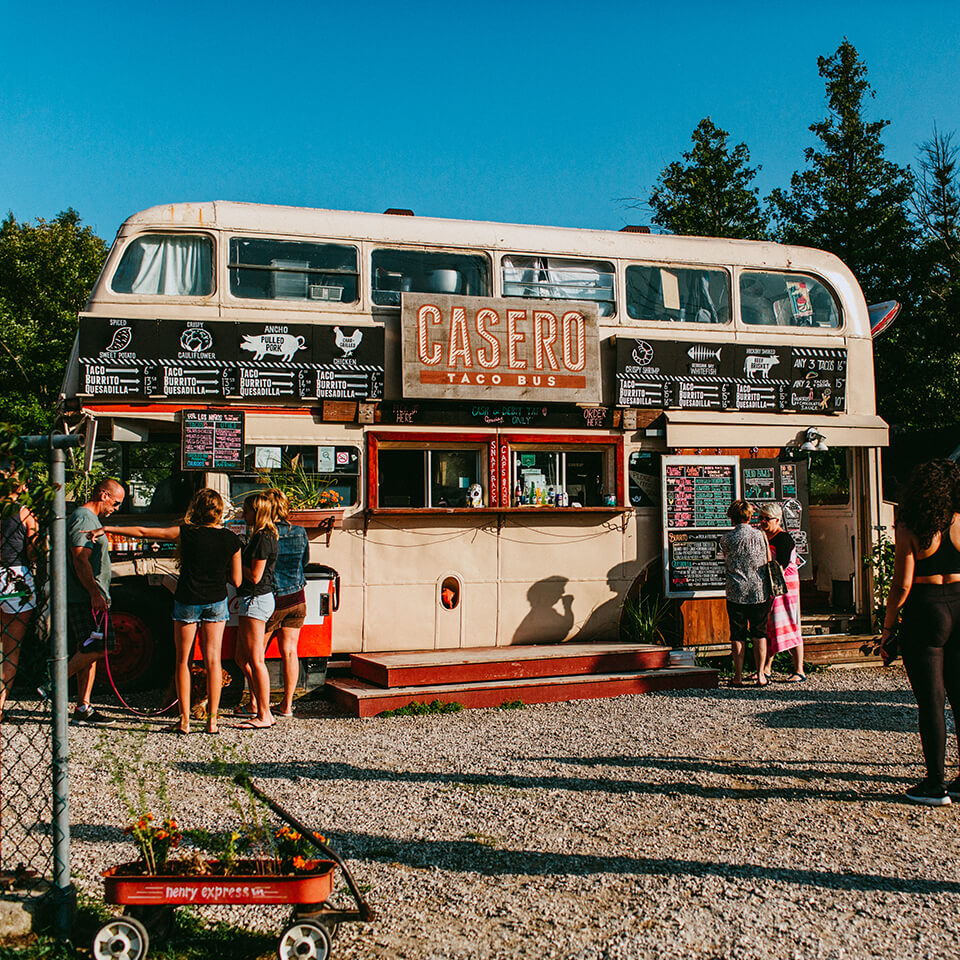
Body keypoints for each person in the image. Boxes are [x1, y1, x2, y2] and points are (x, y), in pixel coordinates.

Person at [93, 488, 241, 734]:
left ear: (196, 508)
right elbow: (236, 580)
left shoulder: (186, 533)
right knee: (213, 661)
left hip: (187, 601)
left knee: (183, 660)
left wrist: (107, 529)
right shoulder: (231, 540)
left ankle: (184, 721)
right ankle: (212, 722)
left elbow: (143, 531)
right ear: (219, 512)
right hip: (216, 602)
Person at [880, 458, 960, 806]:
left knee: (931, 701)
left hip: (926, 608)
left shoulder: (909, 526)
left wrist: (887, 627)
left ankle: (934, 783)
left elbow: (902, 584)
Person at [65, 478, 126, 726]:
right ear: (103, 495)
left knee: (88, 650)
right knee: (101, 646)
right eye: (116, 502)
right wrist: (94, 592)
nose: (117, 508)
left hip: (89, 594)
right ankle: (53, 683)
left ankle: (83, 705)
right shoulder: (84, 518)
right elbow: (80, 558)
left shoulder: (90, 519)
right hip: (85, 596)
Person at [233, 492, 278, 729]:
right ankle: (255, 704)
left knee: (256, 660)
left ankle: (264, 714)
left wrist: (234, 561)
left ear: (257, 512)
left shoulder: (264, 538)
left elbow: (255, 575)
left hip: (256, 599)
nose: (243, 514)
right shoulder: (259, 536)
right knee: (241, 658)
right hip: (251, 599)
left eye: (247, 511)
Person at [263, 488, 309, 718]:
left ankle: (256, 703)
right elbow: (305, 561)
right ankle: (287, 705)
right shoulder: (300, 532)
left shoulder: (265, 534)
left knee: (255, 654)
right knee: (290, 652)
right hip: (297, 597)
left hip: (272, 599)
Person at [0, 469, 40, 718]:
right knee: (11, 648)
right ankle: (0, 705)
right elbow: (34, 550)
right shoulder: (25, 512)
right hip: (16, 578)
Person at [720, 499, 772, 687]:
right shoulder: (760, 535)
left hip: (736, 590)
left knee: (737, 634)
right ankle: (760, 675)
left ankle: (738, 676)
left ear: (732, 517)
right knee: (759, 632)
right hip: (759, 590)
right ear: (750, 516)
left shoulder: (726, 539)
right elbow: (768, 559)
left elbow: (726, 559)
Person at [758, 503, 804, 682]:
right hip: (770, 584)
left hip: (786, 585)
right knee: (770, 625)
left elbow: (782, 566)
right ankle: (767, 668)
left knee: (789, 623)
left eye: (767, 519)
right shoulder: (762, 536)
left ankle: (799, 669)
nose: (763, 522)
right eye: (760, 517)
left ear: (777, 520)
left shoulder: (783, 539)